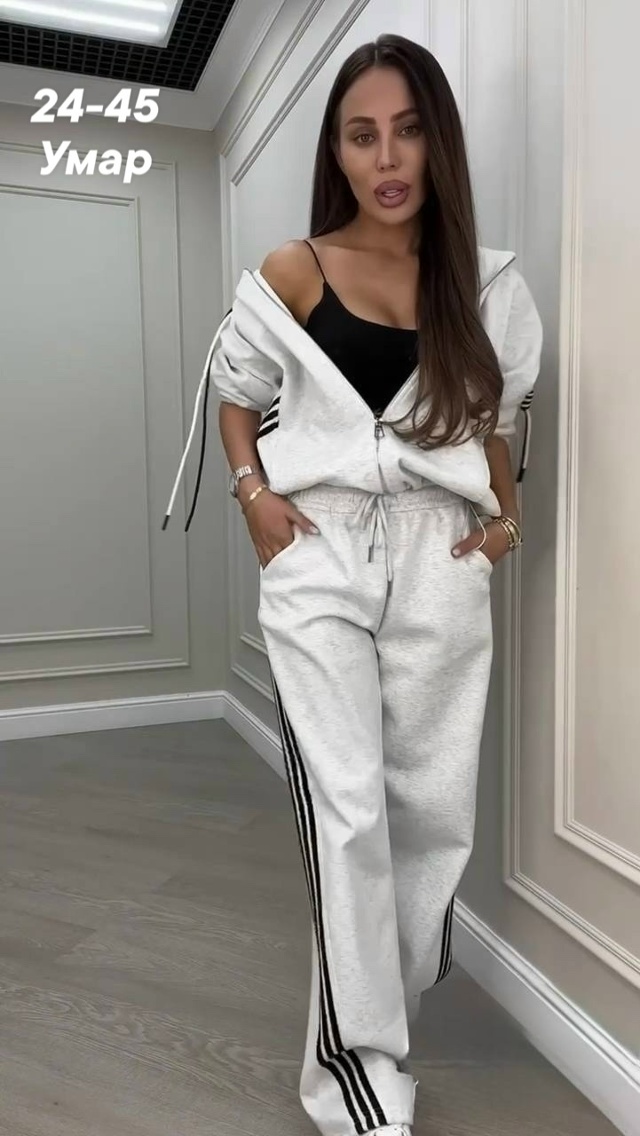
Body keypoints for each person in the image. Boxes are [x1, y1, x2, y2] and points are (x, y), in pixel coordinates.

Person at [163, 32, 543, 1136]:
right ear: (336, 149)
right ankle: (359, 1077)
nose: (387, 157)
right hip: (319, 553)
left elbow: (498, 424)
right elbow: (236, 392)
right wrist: (253, 496)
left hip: (441, 558)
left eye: (408, 130)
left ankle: (385, 990)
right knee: (348, 811)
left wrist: (504, 521)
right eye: (362, 134)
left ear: (437, 143)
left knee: (432, 815)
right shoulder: (297, 268)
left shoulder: (489, 287)